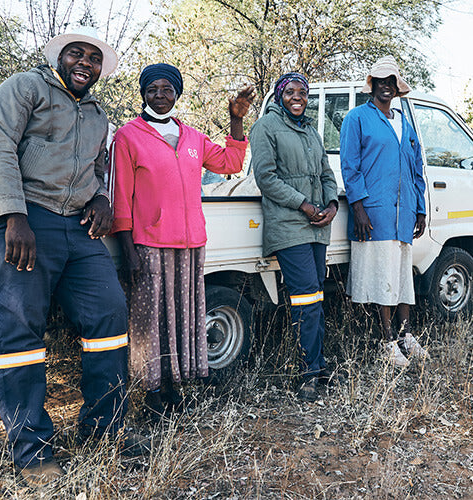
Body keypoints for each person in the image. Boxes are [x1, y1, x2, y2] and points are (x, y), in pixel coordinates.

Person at [0, 26, 143, 487]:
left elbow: (96, 166)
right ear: (59, 57)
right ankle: (33, 450)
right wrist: (13, 216)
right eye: (76, 53)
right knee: (21, 332)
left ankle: (104, 432)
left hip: (75, 226)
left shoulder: (97, 113)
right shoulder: (24, 87)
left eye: (93, 57)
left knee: (109, 315)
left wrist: (101, 199)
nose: (85, 62)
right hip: (22, 222)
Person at [110, 63, 255, 417]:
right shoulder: (129, 136)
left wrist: (236, 120)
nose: (160, 96)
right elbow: (121, 197)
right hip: (150, 244)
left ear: (177, 93)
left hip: (190, 244)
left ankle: (175, 385)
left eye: (167, 89)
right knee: (151, 321)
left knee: (183, 317)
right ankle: (152, 391)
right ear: (143, 93)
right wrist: (128, 250)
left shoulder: (191, 137)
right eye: (152, 89)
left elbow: (230, 164)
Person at [250, 72, 338, 403]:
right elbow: (266, 178)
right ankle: (308, 376)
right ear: (279, 95)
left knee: (315, 298)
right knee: (305, 299)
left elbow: (327, 174)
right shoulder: (266, 127)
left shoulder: (311, 131)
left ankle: (318, 365)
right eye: (291, 92)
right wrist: (303, 205)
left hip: (317, 224)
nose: (298, 97)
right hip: (289, 224)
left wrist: (330, 205)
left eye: (303, 92)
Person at [340, 56, 428, 367]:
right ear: (372, 85)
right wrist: (359, 207)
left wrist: (420, 209)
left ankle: (406, 335)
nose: (386, 86)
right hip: (374, 214)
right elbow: (350, 167)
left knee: (402, 276)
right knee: (382, 278)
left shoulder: (404, 121)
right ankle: (387, 341)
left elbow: (415, 168)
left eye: (391, 80)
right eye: (380, 80)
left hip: (403, 214)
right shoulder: (357, 118)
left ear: (396, 86)